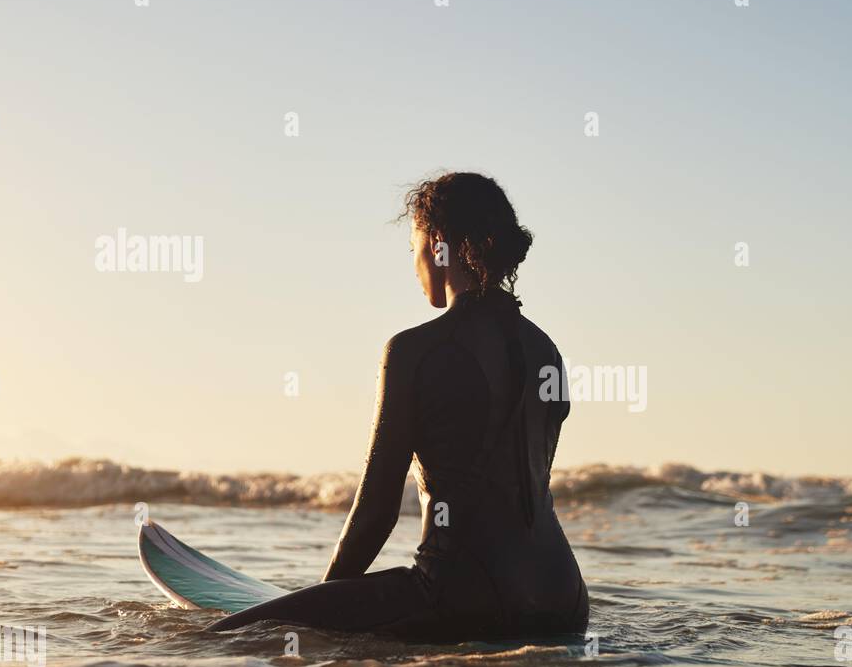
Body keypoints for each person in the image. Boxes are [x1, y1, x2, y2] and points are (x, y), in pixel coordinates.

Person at [208, 172, 588, 642]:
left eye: (414, 246)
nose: (414, 263)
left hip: (463, 597)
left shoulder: (415, 351)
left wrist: (328, 609)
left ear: (439, 244)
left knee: (223, 638)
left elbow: (377, 510)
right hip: (563, 600)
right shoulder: (547, 351)